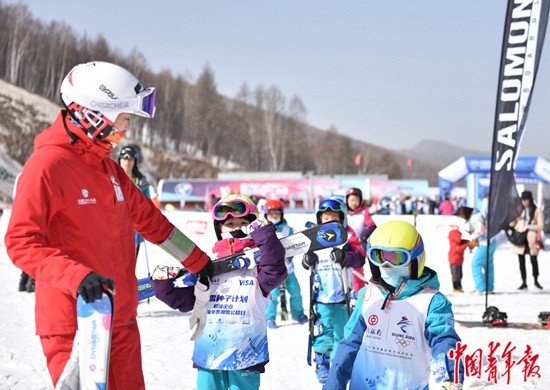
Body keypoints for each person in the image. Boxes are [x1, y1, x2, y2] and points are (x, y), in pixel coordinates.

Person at [4, 61, 213, 389]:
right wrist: (77, 276)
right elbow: (21, 241)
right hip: (77, 325)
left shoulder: (109, 170)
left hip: (122, 322)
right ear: (97, 112)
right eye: (125, 118)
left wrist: (198, 262)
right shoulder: (47, 166)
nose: (127, 129)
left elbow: (154, 224)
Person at [151, 194, 287, 390]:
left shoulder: (257, 268)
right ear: (219, 229)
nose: (237, 227)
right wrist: (162, 285)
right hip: (209, 355)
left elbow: (275, 269)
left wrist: (264, 234)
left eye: (243, 223)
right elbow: (186, 301)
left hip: (245, 354)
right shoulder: (207, 266)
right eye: (229, 223)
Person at [324, 220, 464, 389]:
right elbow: (349, 344)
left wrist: (449, 380)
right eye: (379, 256)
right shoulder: (368, 295)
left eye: (396, 257)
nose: (386, 265)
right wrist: (333, 384)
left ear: (415, 259)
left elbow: (444, 342)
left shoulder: (432, 302)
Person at [301, 197, 365, 384]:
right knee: (323, 331)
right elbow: (306, 262)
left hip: (342, 297)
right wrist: (308, 260)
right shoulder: (314, 240)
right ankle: (322, 361)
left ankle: (338, 364)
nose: (329, 223)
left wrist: (346, 256)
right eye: (325, 219)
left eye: (334, 219)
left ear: (342, 220)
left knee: (341, 332)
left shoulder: (346, 239)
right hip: (321, 297)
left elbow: (360, 259)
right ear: (319, 220)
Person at [263, 199, 308, 328]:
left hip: (288, 269)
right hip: (272, 271)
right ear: (266, 215)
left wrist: (289, 258)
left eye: (277, 213)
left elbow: (296, 245)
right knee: (273, 294)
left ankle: (298, 314)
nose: (274, 216)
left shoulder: (289, 230)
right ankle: (270, 318)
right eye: (271, 214)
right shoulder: (264, 231)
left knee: (295, 291)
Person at [510, 190, 544, 290]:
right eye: (522, 200)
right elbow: (512, 224)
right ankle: (524, 282)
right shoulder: (519, 210)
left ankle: (536, 280)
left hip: (531, 239)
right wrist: (513, 216)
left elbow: (541, 226)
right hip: (520, 238)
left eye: (525, 200)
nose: (524, 202)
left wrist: (528, 227)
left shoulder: (537, 211)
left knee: (533, 260)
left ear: (530, 200)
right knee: (521, 261)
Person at [344, 187, 376, 294]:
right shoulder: (343, 213)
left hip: (358, 248)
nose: (354, 203)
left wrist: (363, 236)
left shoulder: (364, 213)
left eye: (356, 200)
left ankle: (359, 296)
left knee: (357, 275)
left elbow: (371, 225)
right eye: (351, 200)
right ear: (347, 200)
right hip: (345, 246)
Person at [470, 197, 496, 294]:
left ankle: (480, 288)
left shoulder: (476, 216)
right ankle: (489, 288)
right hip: (493, 243)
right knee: (488, 265)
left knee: (475, 264)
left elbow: (479, 230)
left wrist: (472, 236)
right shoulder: (491, 215)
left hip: (484, 243)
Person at [447, 206, 476, 293]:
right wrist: (466, 244)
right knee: (455, 275)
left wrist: (468, 241)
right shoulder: (453, 242)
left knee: (460, 275)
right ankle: (456, 287)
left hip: (459, 260)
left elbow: (462, 241)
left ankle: (459, 287)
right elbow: (458, 249)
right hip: (454, 260)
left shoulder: (457, 240)